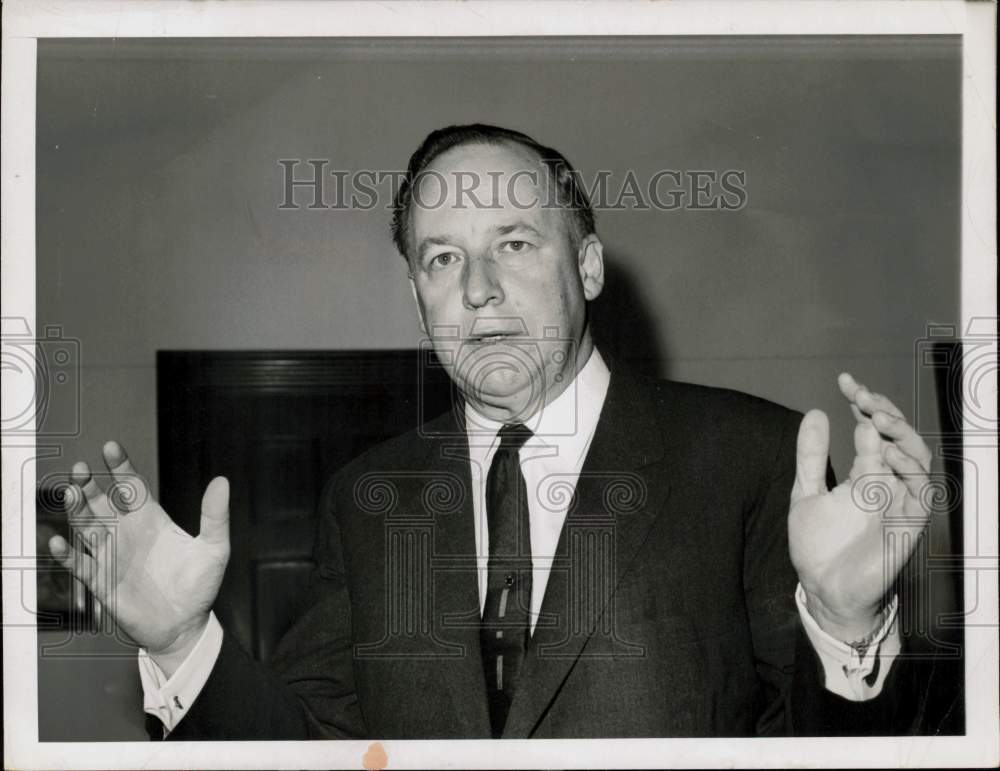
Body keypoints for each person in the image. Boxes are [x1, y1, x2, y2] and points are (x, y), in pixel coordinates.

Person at [49, 124, 955, 739]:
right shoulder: (369, 501)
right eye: (442, 257)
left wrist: (843, 625)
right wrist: (179, 645)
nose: (478, 285)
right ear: (417, 297)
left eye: (516, 242)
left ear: (589, 266)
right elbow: (309, 746)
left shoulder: (748, 458)